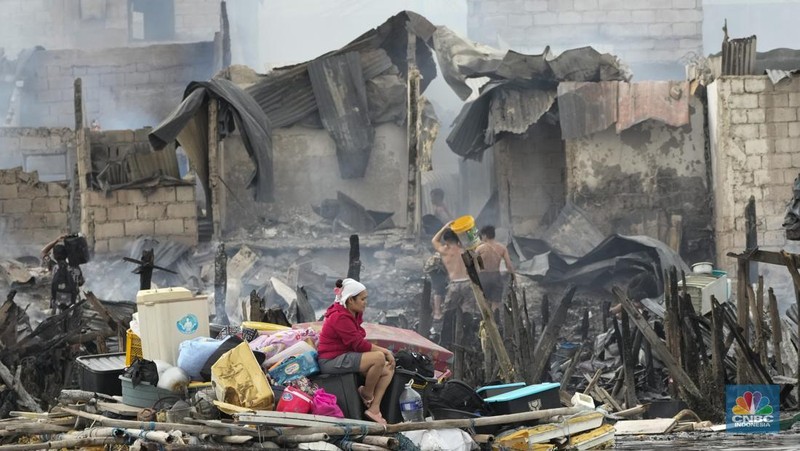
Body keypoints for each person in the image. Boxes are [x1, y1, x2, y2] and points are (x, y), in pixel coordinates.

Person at [317, 278, 396, 424]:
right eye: (362, 299)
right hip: (331, 360)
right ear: (350, 300)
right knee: (378, 358)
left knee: (387, 370)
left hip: (345, 356)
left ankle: (374, 409)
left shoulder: (353, 313)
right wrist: (385, 351)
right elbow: (358, 345)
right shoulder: (339, 317)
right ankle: (366, 393)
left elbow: (358, 342)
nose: (365, 302)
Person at [431, 221, 476, 349]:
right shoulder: (464, 250)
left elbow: (434, 240)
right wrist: (465, 231)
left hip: (454, 285)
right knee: (468, 312)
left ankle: (446, 342)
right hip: (468, 283)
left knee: (449, 313)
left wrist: (445, 227)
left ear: (446, 241)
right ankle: (468, 340)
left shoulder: (445, 251)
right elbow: (474, 242)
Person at [476, 225, 515, 313]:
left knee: (484, 302)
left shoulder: (479, 249)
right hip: (496, 276)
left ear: (485, 236)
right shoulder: (502, 248)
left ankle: (486, 322)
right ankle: (495, 321)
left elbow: (476, 265)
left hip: (483, 277)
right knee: (496, 302)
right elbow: (509, 265)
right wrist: (514, 277)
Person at [41, 234, 85, 313]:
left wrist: (56, 240)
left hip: (57, 305)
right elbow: (81, 282)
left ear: (54, 256)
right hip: (73, 304)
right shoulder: (75, 268)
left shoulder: (54, 267)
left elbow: (43, 252)